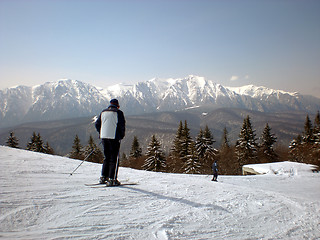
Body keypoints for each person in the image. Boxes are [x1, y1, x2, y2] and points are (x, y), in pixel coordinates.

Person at [95, 99, 125, 186]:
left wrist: (101, 132)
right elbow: (121, 126)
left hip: (104, 137)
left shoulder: (103, 112)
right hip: (114, 138)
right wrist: (121, 136)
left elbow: (97, 124)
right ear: (117, 105)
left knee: (106, 157)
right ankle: (112, 179)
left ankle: (103, 177)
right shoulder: (118, 113)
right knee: (113, 159)